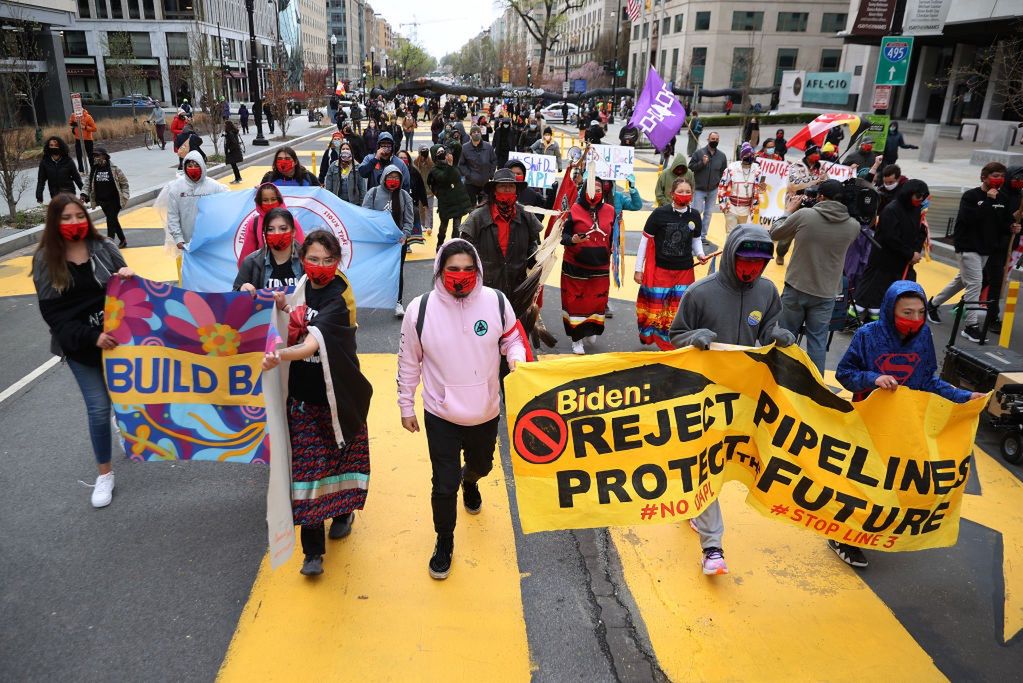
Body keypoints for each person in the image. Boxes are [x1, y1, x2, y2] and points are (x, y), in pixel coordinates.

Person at [396, 239, 527, 579]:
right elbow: (409, 361)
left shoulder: (496, 302)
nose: (461, 276)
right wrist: (405, 404)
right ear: (440, 270)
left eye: (468, 269)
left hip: (484, 411)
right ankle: (444, 540)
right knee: (443, 484)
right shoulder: (419, 310)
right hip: (440, 414)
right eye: (453, 269)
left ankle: (472, 481)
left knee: (482, 465)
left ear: (478, 271)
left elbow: (512, 338)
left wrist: (516, 359)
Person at [668, 226, 795, 574]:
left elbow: (767, 326)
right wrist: (695, 336)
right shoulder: (700, 292)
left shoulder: (768, 291)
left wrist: (777, 334)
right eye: (746, 259)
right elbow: (674, 335)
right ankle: (713, 548)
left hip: (745, 397)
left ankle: (696, 504)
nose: (752, 268)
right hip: (703, 397)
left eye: (760, 262)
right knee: (707, 462)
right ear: (730, 255)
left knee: (726, 464)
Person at [834, 280, 982, 567]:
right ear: (890, 310)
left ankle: (872, 528)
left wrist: (964, 397)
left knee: (891, 481)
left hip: (905, 425)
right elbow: (845, 372)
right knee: (860, 481)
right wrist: (872, 378)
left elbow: (928, 381)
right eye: (907, 313)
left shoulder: (923, 336)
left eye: (920, 312)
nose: (915, 319)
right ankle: (843, 536)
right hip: (868, 423)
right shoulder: (867, 335)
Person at [261, 231, 373, 577]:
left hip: (338, 397)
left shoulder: (339, 298)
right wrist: (276, 304)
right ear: (302, 259)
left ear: (337, 262)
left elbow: (310, 345)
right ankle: (313, 553)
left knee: (340, 461)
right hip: (303, 401)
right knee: (308, 472)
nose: (320, 267)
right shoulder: (301, 288)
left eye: (328, 260)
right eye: (313, 259)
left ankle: (343, 512)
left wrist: (278, 355)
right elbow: (293, 315)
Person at [32, 194, 133, 508]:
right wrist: (92, 337)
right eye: (66, 218)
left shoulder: (105, 249)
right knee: (98, 409)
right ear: (54, 222)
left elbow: (131, 295)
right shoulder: (46, 260)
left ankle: (121, 423)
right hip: (81, 348)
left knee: (122, 399)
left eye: (79, 216)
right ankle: (104, 473)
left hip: (118, 344)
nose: (74, 222)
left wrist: (130, 278)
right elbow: (55, 317)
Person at [769, 180, 861, 374]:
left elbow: (775, 233)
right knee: (817, 342)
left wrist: (788, 211)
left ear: (820, 197)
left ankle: (778, 376)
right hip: (826, 294)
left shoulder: (805, 215)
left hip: (796, 286)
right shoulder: (853, 226)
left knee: (785, 336)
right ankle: (815, 385)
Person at [927, 162, 1021, 341]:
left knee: (962, 282)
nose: (998, 179)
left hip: (986, 249)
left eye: (1001, 176)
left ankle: (933, 304)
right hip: (968, 247)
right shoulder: (971, 196)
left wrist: (1012, 227)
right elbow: (969, 219)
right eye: (994, 175)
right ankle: (971, 326)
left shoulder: (1002, 199)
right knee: (975, 283)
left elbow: (1002, 224)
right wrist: (988, 201)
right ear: (984, 177)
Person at [636, 178, 708, 349]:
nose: (684, 195)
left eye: (688, 192)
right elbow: (644, 242)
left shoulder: (695, 215)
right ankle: (649, 335)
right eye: (680, 191)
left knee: (678, 311)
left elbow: (696, 239)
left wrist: (700, 254)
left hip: (684, 272)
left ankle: (670, 343)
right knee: (656, 310)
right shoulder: (659, 214)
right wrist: (638, 269)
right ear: (671, 194)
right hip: (661, 271)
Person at [459, 168, 543, 300]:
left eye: (511, 186)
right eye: (503, 186)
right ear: (494, 190)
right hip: (485, 288)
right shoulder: (478, 217)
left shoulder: (526, 215)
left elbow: (533, 244)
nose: (507, 190)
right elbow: (465, 249)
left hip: (517, 287)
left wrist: (537, 259)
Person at [853, 180, 930, 321]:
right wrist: (910, 253)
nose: (921, 199)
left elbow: (917, 233)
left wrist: (915, 252)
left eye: (924, 196)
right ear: (908, 194)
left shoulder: (916, 210)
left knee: (895, 291)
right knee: (873, 290)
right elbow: (891, 238)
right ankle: (859, 319)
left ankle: (885, 318)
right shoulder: (892, 210)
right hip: (884, 260)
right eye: (918, 195)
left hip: (902, 262)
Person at [560, 178, 615, 354]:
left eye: (599, 190)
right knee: (576, 304)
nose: (595, 193)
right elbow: (563, 237)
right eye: (592, 189)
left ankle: (591, 329)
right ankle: (576, 339)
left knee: (597, 301)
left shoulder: (611, 211)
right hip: (575, 265)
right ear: (584, 190)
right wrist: (573, 240)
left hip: (600, 265)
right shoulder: (573, 210)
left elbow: (612, 237)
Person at [363, 165, 413, 317]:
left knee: (397, 272)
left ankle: (398, 302)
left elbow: (409, 220)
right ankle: (377, 298)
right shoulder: (373, 193)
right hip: (379, 242)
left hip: (398, 243)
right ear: (384, 177)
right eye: (390, 177)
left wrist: (405, 235)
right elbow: (366, 215)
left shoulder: (404, 196)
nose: (393, 180)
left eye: (396, 177)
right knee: (377, 271)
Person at [166, 152, 228, 274]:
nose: (193, 168)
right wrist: (178, 239)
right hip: (186, 244)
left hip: (209, 244)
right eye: (190, 165)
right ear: (184, 167)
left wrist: (254, 193)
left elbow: (230, 201)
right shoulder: (176, 188)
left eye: (196, 165)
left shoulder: (214, 187)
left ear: (203, 166)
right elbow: (172, 215)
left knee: (210, 275)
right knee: (189, 277)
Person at [778, 144, 829, 265]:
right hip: (796, 200)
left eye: (818, 153)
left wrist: (824, 179)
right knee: (789, 230)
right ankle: (781, 252)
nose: (817, 156)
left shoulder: (822, 166)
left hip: (814, 203)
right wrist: (815, 179)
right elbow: (794, 184)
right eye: (814, 153)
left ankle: (805, 258)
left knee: (811, 231)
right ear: (808, 155)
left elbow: (827, 182)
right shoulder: (796, 166)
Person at [233, 207, 304, 292]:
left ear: (293, 232)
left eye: (283, 228)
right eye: (270, 229)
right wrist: (241, 290)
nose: (277, 233)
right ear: (264, 233)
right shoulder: (251, 262)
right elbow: (235, 295)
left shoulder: (306, 259)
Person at [239, 183, 306, 263]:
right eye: (265, 200)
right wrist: (245, 271)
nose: (270, 203)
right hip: (264, 268)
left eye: (273, 199)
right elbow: (247, 251)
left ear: (279, 200)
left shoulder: (291, 220)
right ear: (259, 202)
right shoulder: (253, 223)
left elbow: (301, 247)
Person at [427, 144, 473, 250]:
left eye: (443, 152)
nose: (442, 154)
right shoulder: (435, 170)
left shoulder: (452, 164)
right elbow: (445, 179)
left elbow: (457, 147)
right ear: (435, 156)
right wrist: (450, 165)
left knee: (457, 227)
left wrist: (452, 141)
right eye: (439, 153)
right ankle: (440, 244)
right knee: (443, 227)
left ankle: (454, 246)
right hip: (446, 203)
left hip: (458, 201)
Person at [83, 147, 130, 248]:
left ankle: (110, 243)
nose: (96, 158)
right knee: (113, 220)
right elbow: (88, 182)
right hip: (102, 201)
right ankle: (123, 239)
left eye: (98, 155)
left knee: (110, 220)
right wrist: (84, 194)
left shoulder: (114, 169)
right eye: (94, 156)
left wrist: (125, 196)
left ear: (104, 156)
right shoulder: (94, 169)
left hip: (115, 200)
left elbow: (124, 183)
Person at [718, 143, 764, 235]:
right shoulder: (731, 169)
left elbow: (760, 190)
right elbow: (722, 187)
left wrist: (762, 189)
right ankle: (729, 250)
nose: (749, 156)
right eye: (747, 154)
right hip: (731, 208)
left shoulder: (758, 170)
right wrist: (723, 206)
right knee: (731, 234)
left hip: (747, 210)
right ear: (742, 156)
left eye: (751, 154)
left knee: (744, 235)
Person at [688, 131, 728, 232]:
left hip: (713, 190)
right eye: (713, 139)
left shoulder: (722, 156)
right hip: (699, 189)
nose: (714, 141)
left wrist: (718, 184)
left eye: (716, 140)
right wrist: (702, 163)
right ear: (708, 139)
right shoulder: (699, 153)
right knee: (696, 212)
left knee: (708, 214)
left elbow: (724, 172)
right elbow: (690, 167)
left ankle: (703, 235)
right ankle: (694, 234)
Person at [458, 125, 499, 206]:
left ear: (481, 134)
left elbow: (494, 160)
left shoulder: (488, 146)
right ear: (470, 135)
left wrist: (491, 174)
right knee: (471, 206)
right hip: (470, 183)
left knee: (484, 207)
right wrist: (468, 175)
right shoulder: (465, 147)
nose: (476, 134)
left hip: (485, 182)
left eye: (478, 132)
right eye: (474, 132)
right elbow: (461, 164)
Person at [36, 137, 83, 205]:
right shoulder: (45, 162)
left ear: (60, 146)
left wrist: (84, 193)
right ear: (48, 147)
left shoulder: (68, 161)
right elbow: (41, 180)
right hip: (55, 195)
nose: (53, 147)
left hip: (69, 193)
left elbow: (77, 178)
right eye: (51, 145)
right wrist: (39, 196)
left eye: (56, 145)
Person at [324, 141, 367, 206]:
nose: (345, 151)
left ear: (351, 151)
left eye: (347, 149)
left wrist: (362, 204)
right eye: (343, 149)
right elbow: (328, 186)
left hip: (354, 204)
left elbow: (362, 188)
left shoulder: (358, 167)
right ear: (340, 151)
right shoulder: (333, 166)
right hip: (337, 203)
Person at [413, 145, 435, 235]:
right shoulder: (415, 162)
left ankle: (429, 225)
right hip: (420, 190)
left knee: (429, 208)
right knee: (421, 209)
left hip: (429, 190)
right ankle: (422, 224)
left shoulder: (431, 163)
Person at [68, 108, 98, 173]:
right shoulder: (73, 115)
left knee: (90, 155)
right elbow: (70, 123)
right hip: (78, 139)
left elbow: (94, 129)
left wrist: (84, 127)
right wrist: (74, 125)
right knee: (79, 155)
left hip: (88, 139)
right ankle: (81, 171)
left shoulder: (88, 117)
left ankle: (93, 170)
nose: (77, 112)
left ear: (82, 110)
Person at [223, 120, 244, 184]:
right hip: (235, 151)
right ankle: (238, 177)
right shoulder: (231, 132)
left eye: (225, 125)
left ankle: (237, 179)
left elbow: (233, 142)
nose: (224, 126)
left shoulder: (230, 133)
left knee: (234, 166)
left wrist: (229, 149)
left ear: (227, 125)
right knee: (234, 165)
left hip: (233, 152)